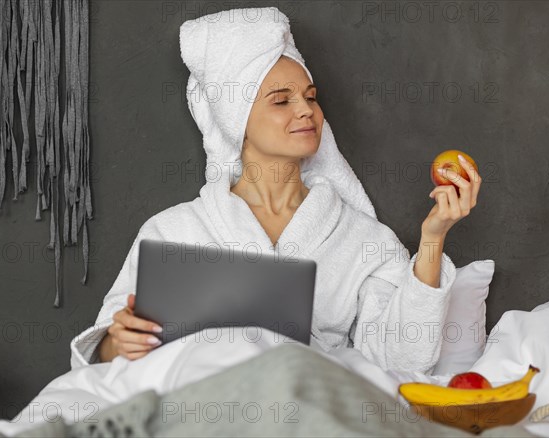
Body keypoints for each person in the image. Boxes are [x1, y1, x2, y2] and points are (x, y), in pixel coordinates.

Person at [70, 7, 481, 373]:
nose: (306, 110)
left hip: (308, 403)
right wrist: (113, 342)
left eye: (311, 97)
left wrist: (433, 238)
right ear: (237, 119)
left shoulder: (363, 239)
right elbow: (104, 352)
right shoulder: (172, 231)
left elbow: (401, 361)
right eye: (281, 100)